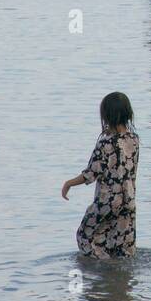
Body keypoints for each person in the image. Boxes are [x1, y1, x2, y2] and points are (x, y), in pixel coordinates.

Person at [61, 91, 139, 259]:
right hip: (128, 201)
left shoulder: (106, 142)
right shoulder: (134, 139)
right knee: (121, 247)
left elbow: (92, 172)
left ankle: (102, 273)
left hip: (107, 202)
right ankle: (120, 281)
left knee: (85, 236)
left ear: (107, 116)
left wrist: (69, 183)